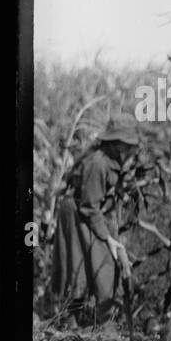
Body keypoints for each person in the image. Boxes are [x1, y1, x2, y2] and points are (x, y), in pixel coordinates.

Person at [49, 114, 139, 323]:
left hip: (87, 213)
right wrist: (109, 238)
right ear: (116, 144)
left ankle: (86, 326)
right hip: (77, 215)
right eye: (126, 145)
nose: (130, 150)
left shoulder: (111, 160)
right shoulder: (98, 163)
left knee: (94, 267)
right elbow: (90, 205)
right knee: (82, 269)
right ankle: (73, 327)